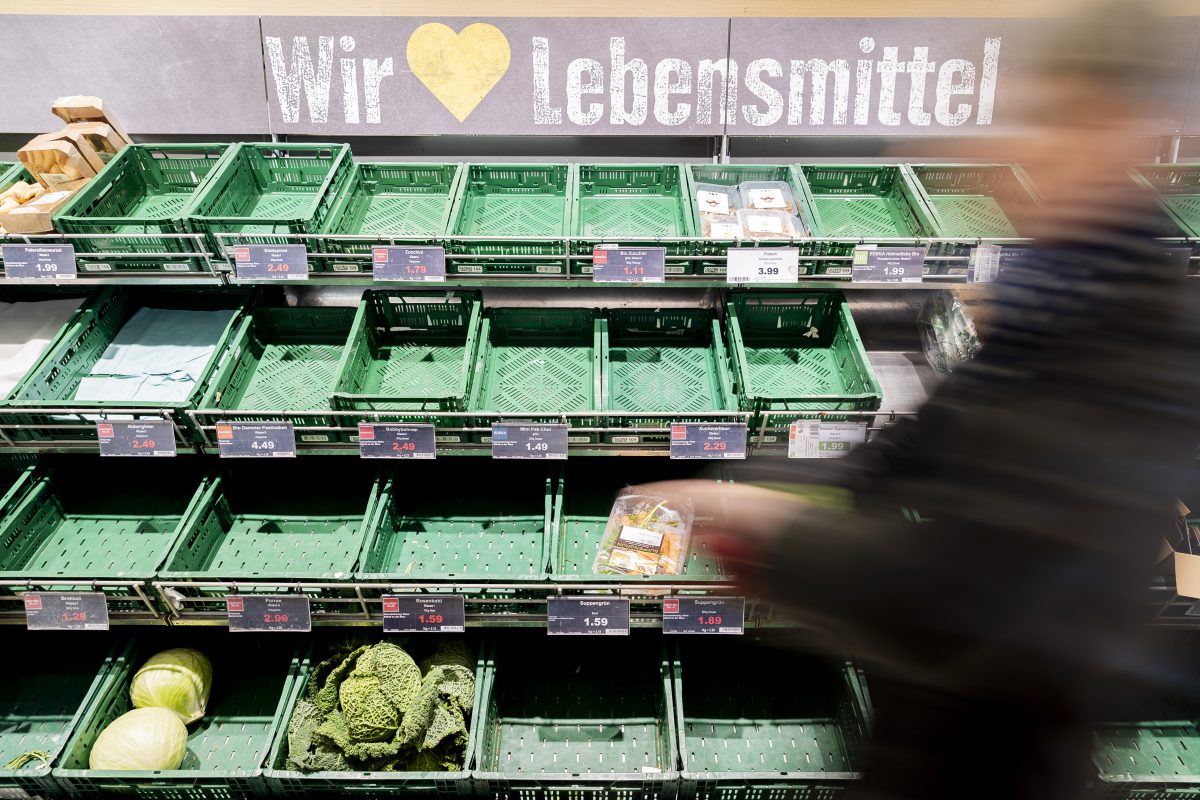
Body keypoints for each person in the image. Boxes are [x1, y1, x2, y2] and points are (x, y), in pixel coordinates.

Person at [642, 3, 1200, 798]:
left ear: (1125, 131)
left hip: (1003, 750)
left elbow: (977, 586)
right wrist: (767, 480)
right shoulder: (1059, 290)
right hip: (933, 721)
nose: (1021, 156)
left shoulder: (1143, 339)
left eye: (1060, 122)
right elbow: (922, 442)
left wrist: (776, 535)